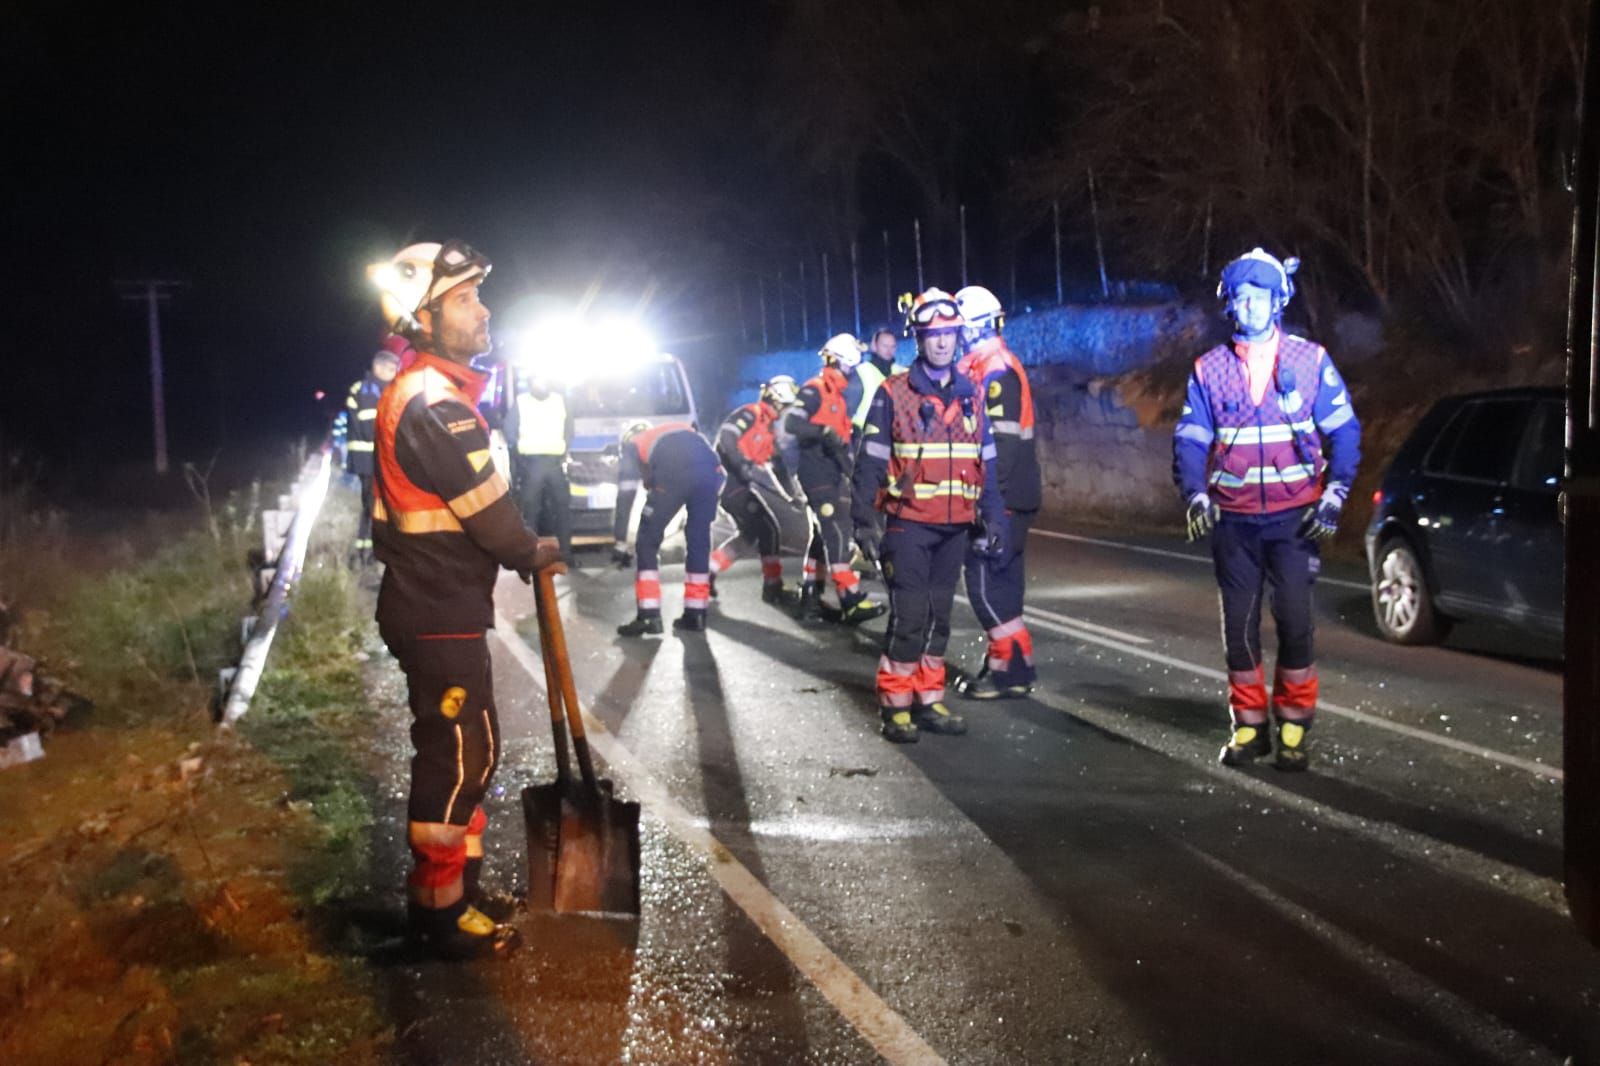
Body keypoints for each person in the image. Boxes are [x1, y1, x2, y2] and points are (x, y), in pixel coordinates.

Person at [366, 240, 562, 959]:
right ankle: (439, 916)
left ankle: (459, 891)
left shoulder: (433, 395)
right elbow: (492, 518)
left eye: (479, 295)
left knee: (470, 751)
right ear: (424, 317)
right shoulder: (432, 405)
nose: (483, 312)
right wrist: (533, 549)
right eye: (465, 300)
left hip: (439, 606)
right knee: (456, 758)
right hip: (437, 609)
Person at [1172, 247, 1361, 771]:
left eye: (1259, 297)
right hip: (1233, 521)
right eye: (1240, 298)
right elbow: (1190, 437)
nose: (1249, 307)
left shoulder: (1310, 361)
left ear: (1279, 302)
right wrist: (1194, 493)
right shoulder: (1208, 370)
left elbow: (1343, 430)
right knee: (1239, 628)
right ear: (1229, 305)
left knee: (1296, 622)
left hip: (1295, 519)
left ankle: (1295, 727)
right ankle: (1250, 728)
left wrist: (1335, 493)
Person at [852, 289, 1008, 743]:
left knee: (941, 616)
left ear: (959, 336)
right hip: (907, 524)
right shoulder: (893, 393)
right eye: (932, 334)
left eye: (949, 333)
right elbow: (871, 462)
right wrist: (862, 520)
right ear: (918, 339)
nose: (942, 342)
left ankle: (928, 699)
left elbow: (989, 464)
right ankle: (895, 706)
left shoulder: (972, 394)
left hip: (955, 525)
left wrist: (993, 516)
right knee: (910, 615)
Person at [952, 286, 1042, 699]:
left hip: (1001, 496)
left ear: (975, 328)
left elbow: (1000, 445)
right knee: (1004, 583)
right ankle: (1010, 668)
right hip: (1012, 493)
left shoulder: (995, 371)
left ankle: (1010, 663)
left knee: (985, 582)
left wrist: (985, 502)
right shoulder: (985, 366)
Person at [785, 334, 886, 625]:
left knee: (820, 537)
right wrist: (822, 433)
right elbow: (793, 423)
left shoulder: (837, 395)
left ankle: (811, 597)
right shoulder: (815, 390)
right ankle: (850, 599)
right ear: (845, 360)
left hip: (827, 472)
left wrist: (852, 472)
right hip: (814, 473)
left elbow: (840, 443)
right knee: (837, 533)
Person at [612, 421, 723, 636]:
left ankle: (649, 615)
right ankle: (696, 613)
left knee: (646, 542)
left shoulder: (633, 444)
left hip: (674, 476)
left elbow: (625, 495)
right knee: (699, 541)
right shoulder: (675, 429)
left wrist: (620, 543)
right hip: (711, 473)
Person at [711, 375, 801, 603]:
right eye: (786, 406)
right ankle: (772, 588)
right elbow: (727, 437)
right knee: (768, 530)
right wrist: (741, 464)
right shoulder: (751, 413)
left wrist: (794, 496)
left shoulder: (769, 430)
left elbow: (779, 468)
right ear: (778, 400)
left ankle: (706, 574)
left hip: (737, 483)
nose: (785, 411)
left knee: (750, 535)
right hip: (728, 481)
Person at [504, 369, 575, 565]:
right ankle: (531, 556)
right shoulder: (521, 401)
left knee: (562, 509)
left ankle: (566, 555)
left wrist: (563, 449)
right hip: (532, 463)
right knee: (531, 511)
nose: (540, 385)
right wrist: (520, 456)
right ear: (530, 383)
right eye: (536, 381)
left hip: (553, 463)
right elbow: (510, 430)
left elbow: (569, 429)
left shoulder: (560, 400)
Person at [342, 348, 401, 565]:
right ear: (378, 367)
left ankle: (366, 552)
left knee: (373, 507)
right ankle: (365, 556)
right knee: (374, 507)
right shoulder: (369, 390)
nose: (395, 373)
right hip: (370, 460)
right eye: (391, 369)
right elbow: (372, 428)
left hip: (372, 459)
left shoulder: (374, 388)